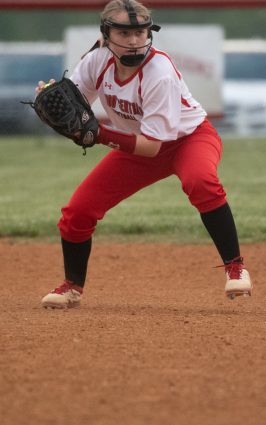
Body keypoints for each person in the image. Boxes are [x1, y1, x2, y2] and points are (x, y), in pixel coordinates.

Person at [39, 0, 252, 309]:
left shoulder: (159, 72)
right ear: (107, 34)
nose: (134, 40)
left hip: (189, 139)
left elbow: (152, 146)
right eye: (124, 34)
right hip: (136, 145)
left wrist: (99, 134)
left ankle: (235, 267)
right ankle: (72, 286)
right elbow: (73, 103)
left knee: (200, 180)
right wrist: (58, 109)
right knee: (78, 212)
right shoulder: (97, 62)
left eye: (140, 32)